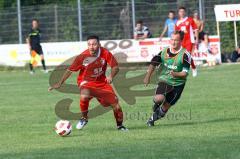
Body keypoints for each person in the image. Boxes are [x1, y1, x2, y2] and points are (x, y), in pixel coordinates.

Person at [48, 35, 128, 131]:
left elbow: (115, 67)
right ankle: (84, 118)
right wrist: (60, 83)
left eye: (94, 44)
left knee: (116, 105)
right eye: (89, 44)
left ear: (99, 44)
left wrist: (111, 76)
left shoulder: (105, 53)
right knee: (84, 95)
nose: (91, 46)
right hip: (86, 82)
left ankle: (120, 126)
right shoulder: (82, 57)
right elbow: (70, 70)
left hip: (102, 83)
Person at [144, 31, 191, 126]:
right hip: (164, 80)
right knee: (158, 99)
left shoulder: (185, 55)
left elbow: (185, 73)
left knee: (165, 107)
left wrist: (175, 74)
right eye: (172, 39)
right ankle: (156, 104)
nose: (173, 42)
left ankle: (151, 120)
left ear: (181, 41)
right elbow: (153, 63)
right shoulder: (164, 52)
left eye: (176, 40)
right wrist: (147, 77)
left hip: (178, 84)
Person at [175, 6, 198, 77]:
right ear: (178, 13)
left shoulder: (190, 20)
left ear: (185, 12)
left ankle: (193, 68)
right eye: (180, 11)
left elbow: (196, 30)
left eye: (183, 11)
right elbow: (176, 33)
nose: (181, 13)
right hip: (181, 42)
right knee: (181, 57)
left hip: (189, 41)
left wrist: (196, 38)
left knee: (188, 56)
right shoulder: (177, 23)